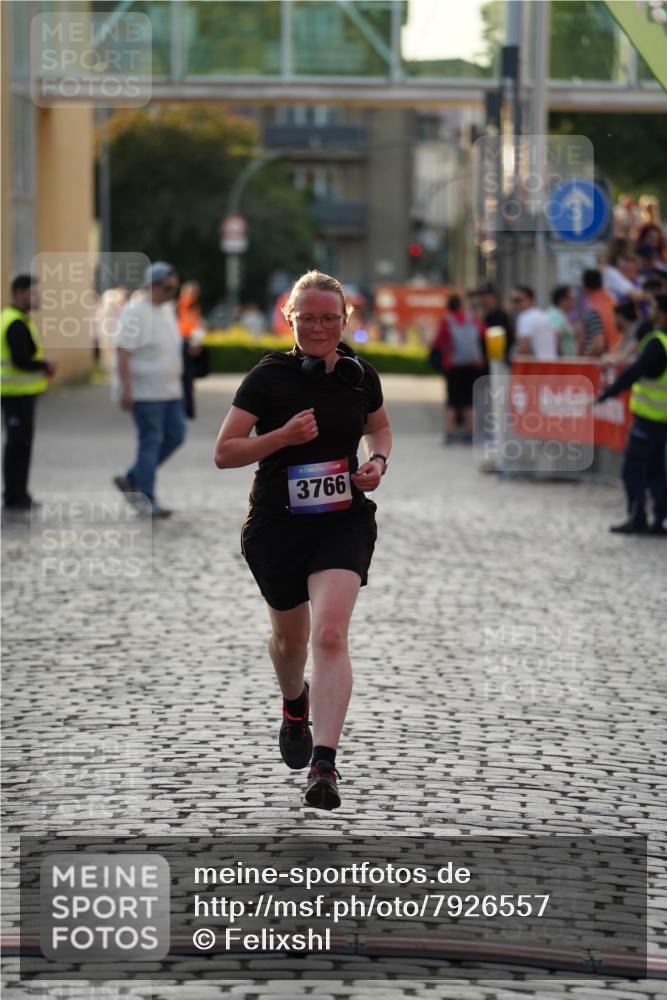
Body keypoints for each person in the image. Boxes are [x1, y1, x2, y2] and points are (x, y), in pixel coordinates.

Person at [214, 270, 392, 811]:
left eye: (329, 318)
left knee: (331, 635)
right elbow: (225, 451)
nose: (319, 327)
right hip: (277, 526)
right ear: (289, 318)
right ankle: (296, 702)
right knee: (292, 644)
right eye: (308, 317)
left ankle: (325, 765)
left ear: (345, 321)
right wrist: (281, 437)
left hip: (342, 520)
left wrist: (376, 462)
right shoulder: (267, 377)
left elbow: (379, 428)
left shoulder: (361, 376)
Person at [113, 261, 185, 519]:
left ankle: (131, 478)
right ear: (152, 285)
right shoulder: (134, 311)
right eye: (167, 288)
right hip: (145, 391)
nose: (171, 293)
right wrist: (126, 388)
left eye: (174, 288)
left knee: (176, 435)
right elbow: (123, 350)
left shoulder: (167, 309)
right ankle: (146, 496)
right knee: (151, 441)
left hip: (170, 390)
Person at [595, 293, 667, 535]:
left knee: (634, 470)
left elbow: (634, 373)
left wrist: (605, 395)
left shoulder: (657, 342)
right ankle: (660, 520)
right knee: (657, 471)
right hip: (662, 421)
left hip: (649, 419)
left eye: (655, 307)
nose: (651, 312)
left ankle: (637, 518)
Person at [1, 274, 55, 511]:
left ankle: (19, 493)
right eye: (34, 292)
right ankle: (14, 496)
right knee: (16, 446)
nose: (37, 297)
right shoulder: (14, 322)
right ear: (21, 293)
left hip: (21, 394)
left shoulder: (20, 318)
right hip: (15, 394)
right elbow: (21, 360)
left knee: (21, 445)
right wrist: (45, 365)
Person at [430, 293, 486, 443]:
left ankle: (450, 434)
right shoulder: (472, 319)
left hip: (453, 365)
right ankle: (470, 434)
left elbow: (437, 342)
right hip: (472, 364)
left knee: (452, 400)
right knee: (469, 400)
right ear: (461, 305)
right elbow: (484, 333)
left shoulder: (447, 321)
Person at [177, 281, 206, 420]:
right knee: (184, 378)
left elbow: (196, 326)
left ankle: (187, 408)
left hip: (190, 342)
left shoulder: (193, 307)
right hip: (181, 342)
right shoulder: (178, 307)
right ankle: (185, 408)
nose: (193, 297)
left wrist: (197, 342)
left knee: (189, 377)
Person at [579, 269, 619, 356]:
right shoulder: (613, 302)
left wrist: (583, 362)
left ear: (583, 286)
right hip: (617, 356)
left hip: (604, 361)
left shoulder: (593, 309)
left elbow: (598, 345)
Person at [511, 286, 557, 359]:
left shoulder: (525, 317)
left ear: (530, 299)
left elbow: (524, 349)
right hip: (550, 364)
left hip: (535, 366)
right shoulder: (543, 315)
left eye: (518, 300)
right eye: (513, 301)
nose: (515, 304)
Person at [477, 282, 514, 361]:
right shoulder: (485, 315)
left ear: (495, 298)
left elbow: (507, 340)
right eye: (482, 296)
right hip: (486, 360)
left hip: (496, 360)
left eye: (488, 296)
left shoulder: (499, 315)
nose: (484, 299)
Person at [546, 285, 577, 356]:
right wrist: (561, 360)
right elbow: (555, 337)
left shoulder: (560, 314)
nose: (574, 300)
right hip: (562, 363)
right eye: (571, 298)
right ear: (562, 300)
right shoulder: (555, 315)